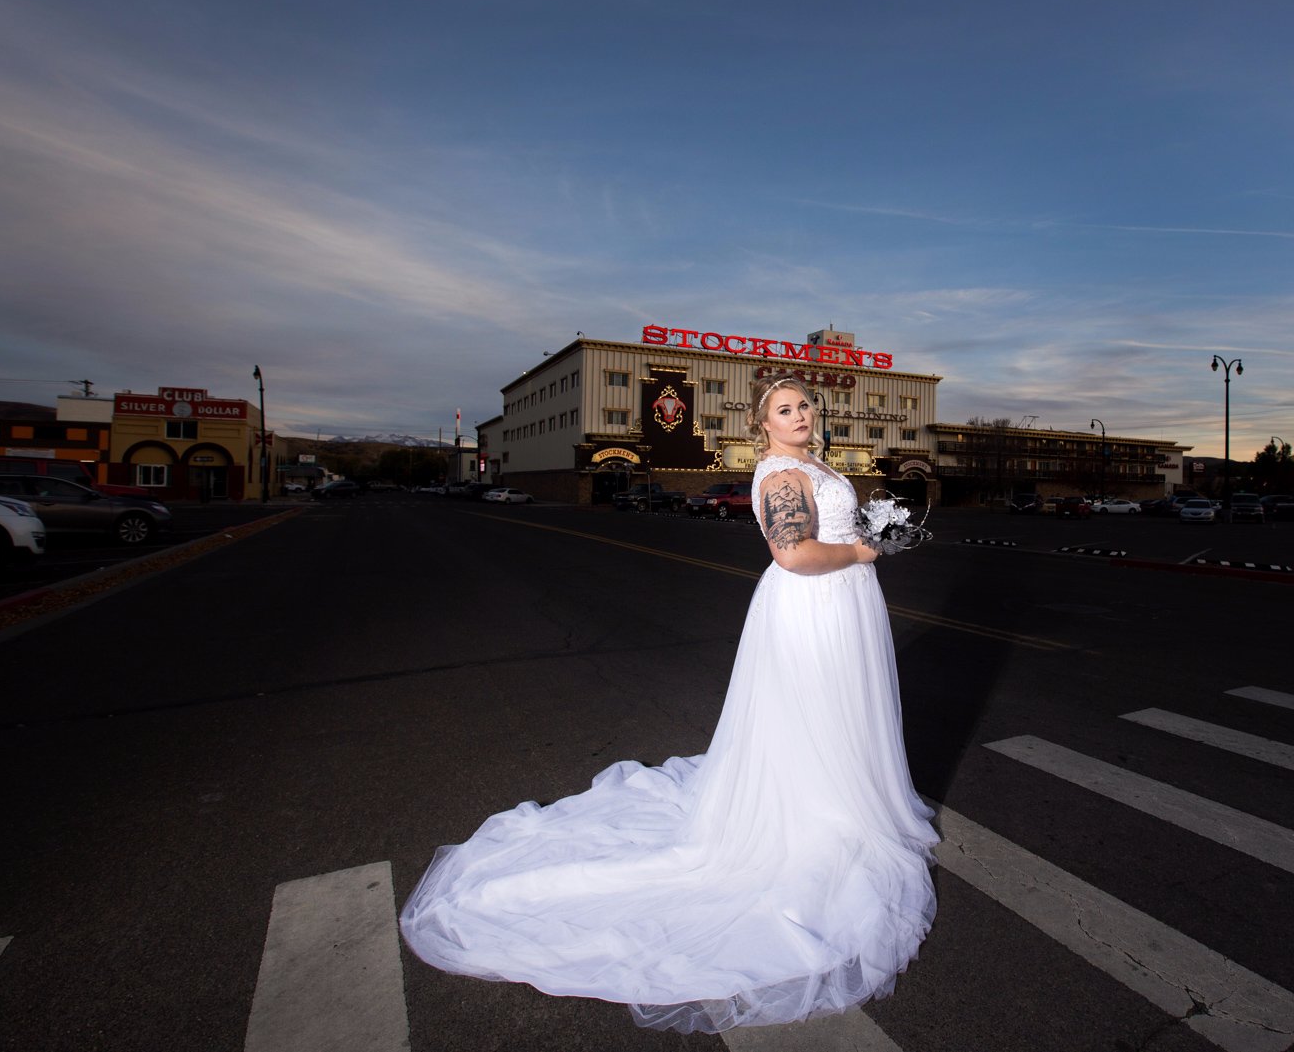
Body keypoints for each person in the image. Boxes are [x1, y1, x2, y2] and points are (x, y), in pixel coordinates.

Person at [398, 374, 938, 1033]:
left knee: (843, 715)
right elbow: (792, 552)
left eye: (805, 405)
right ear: (762, 424)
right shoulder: (778, 473)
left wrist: (880, 532)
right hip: (812, 608)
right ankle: (815, 814)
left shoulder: (818, 463)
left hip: (846, 601)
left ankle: (846, 797)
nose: (800, 414)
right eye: (785, 407)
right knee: (812, 714)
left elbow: (835, 527)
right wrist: (862, 548)